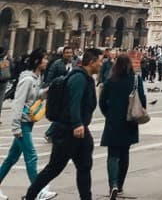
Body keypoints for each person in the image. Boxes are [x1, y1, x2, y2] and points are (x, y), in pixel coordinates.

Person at [25, 47, 103, 200]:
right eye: (100, 61)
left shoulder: (84, 77)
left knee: (84, 166)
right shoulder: (79, 78)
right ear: (92, 62)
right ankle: (30, 196)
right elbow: (74, 103)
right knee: (54, 168)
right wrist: (77, 124)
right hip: (69, 130)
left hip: (79, 130)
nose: (101, 64)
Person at [0, 49, 56, 200]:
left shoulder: (37, 78)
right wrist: (15, 126)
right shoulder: (28, 80)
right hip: (23, 123)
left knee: (11, 159)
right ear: (37, 61)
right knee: (31, 156)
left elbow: (34, 97)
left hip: (29, 122)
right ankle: (38, 190)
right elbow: (18, 103)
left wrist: (45, 92)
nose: (46, 61)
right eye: (44, 59)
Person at [99, 53, 146, 200]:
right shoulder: (135, 80)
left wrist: (109, 113)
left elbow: (102, 101)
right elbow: (143, 100)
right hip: (129, 120)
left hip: (113, 120)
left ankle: (112, 184)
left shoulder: (110, 80)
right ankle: (119, 186)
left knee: (112, 155)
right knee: (124, 154)